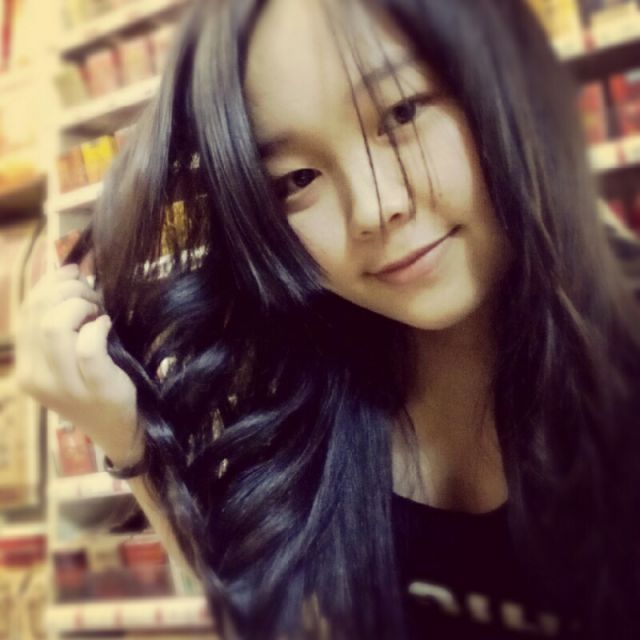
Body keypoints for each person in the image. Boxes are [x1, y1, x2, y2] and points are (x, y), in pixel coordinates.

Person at [15, 0, 640, 639]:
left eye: (402, 112)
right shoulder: (304, 403)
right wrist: (133, 445)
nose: (373, 208)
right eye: (297, 178)